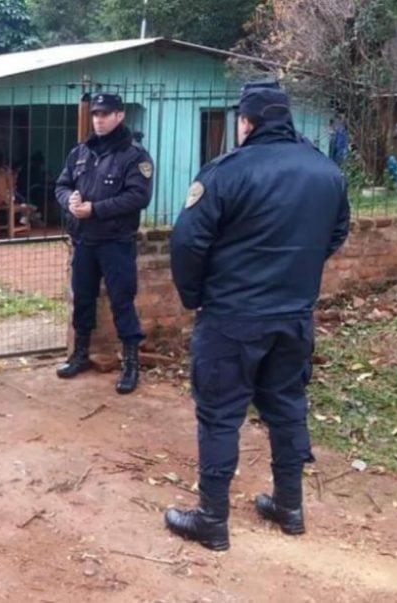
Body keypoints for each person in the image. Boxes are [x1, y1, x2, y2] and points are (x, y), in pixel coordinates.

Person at [165, 81, 350, 551]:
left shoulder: (227, 172)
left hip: (232, 317)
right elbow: (337, 231)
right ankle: (290, 506)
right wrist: (297, 273)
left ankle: (212, 519)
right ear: (285, 118)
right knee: (286, 406)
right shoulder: (326, 171)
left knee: (220, 414)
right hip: (293, 316)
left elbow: (187, 242)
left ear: (246, 122)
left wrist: (195, 297)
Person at [54, 92, 154, 394]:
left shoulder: (135, 156)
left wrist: (96, 209)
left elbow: (139, 196)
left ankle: (130, 363)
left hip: (115, 242)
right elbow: (61, 184)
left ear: (119, 116)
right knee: (83, 298)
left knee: (122, 300)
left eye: (105, 114)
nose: (99, 119)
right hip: (84, 241)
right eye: (96, 114)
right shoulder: (81, 152)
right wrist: (69, 202)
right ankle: (80, 353)